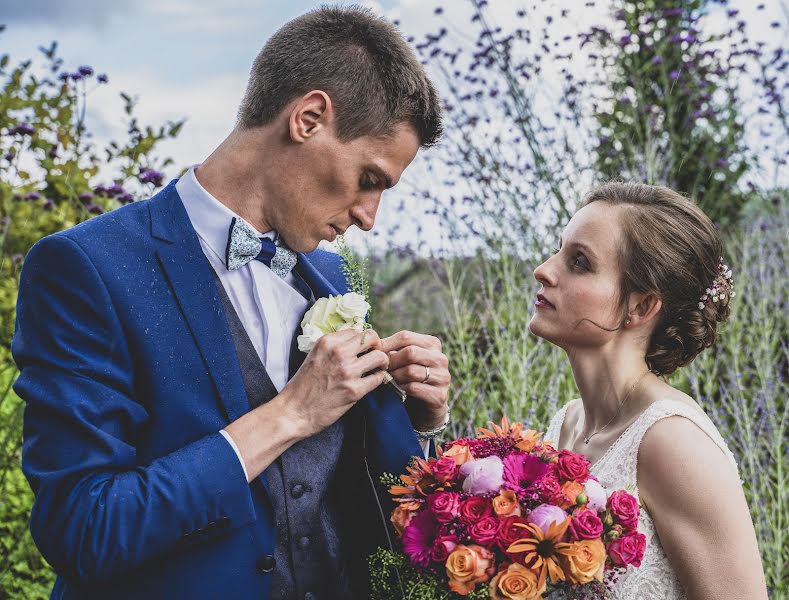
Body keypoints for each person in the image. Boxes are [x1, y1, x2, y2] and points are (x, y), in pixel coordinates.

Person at [12, 6, 451, 599]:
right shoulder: (86, 268)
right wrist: (288, 414)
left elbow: (359, 497)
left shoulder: (327, 275)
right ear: (309, 118)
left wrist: (419, 425)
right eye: (369, 179)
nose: (369, 218)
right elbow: (85, 529)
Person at [530, 182, 767, 599]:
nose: (545, 270)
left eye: (579, 262)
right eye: (559, 249)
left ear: (640, 306)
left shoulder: (671, 441)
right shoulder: (566, 424)